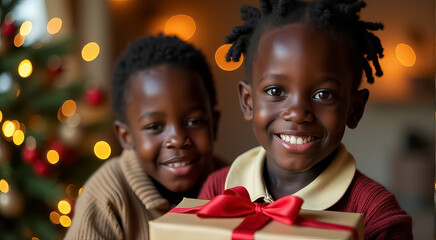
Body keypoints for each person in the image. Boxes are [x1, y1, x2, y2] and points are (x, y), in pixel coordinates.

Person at [198, 0, 412, 239]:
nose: (298, 113)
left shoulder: (375, 215)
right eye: (275, 91)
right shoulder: (217, 190)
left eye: (323, 95)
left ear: (354, 110)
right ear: (248, 101)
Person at [65, 34, 220, 240]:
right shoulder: (107, 197)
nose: (177, 139)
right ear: (126, 136)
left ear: (214, 124)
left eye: (194, 122)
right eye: (155, 126)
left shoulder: (235, 183)